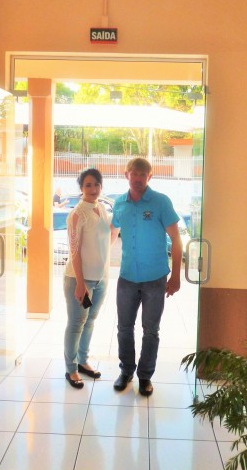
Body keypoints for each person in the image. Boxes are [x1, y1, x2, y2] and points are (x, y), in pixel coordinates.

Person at [110, 157, 182, 396]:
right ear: (127, 175)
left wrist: (176, 276)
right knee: (124, 328)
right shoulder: (119, 203)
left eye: (143, 174)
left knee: (151, 330)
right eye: (134, 173)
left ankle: (145, 376)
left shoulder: (161, 202)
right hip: (127, 278)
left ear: (150, 176)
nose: (138, 178)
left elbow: (176, 239)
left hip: (155, 279)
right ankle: (126, 371)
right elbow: (113, 232)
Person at [63, 168, 116, 388]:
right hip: (80, 280)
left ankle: (83, 361)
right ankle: (71, 369)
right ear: (81, 188)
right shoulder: (77, 215)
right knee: (77, 323)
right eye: (88, 185)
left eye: (96, 184)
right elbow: (74, 251)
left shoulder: (101, 208)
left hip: (101, 278)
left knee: (90, 321)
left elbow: (107, 239)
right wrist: (80, 283)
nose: (93, 189)